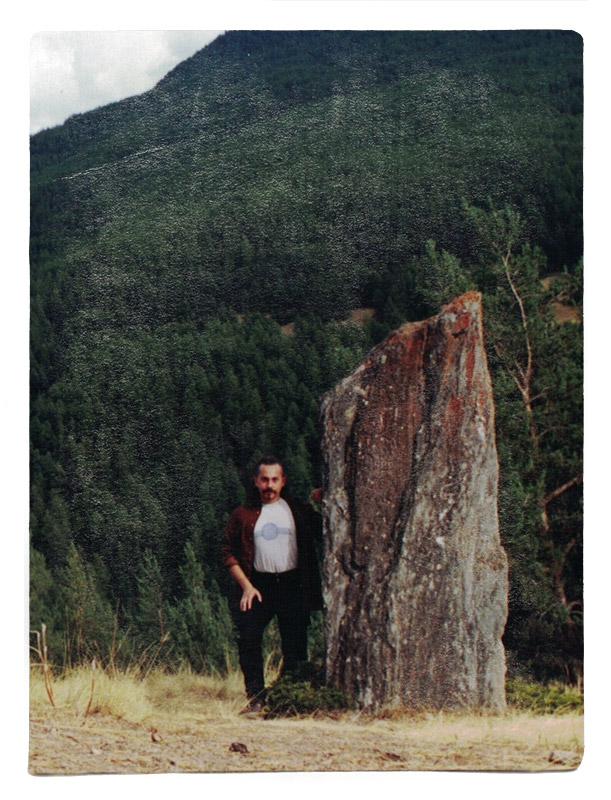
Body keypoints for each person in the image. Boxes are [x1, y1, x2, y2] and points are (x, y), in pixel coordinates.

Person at [221, 455, 323, 712]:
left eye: (274, 479)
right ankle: (256, 697)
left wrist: (325, 500)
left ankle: (288, 697)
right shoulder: (243, 514)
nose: (269, 485)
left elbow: (326, 529)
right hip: (257, 585)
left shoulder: (297, 509)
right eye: (264, 479)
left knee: (295, 643)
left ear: (283, 481)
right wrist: (246, 586)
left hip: (293, 583)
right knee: (248, 638)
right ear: (256, 481)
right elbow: (227, 551)